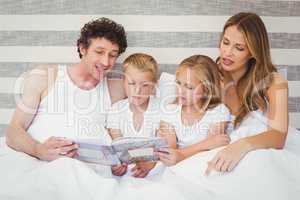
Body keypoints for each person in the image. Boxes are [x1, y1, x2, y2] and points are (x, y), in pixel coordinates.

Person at [5, 17, 128, 162]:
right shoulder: (45, 76)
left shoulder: (117, 89)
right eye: (99, 52)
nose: (106, 62)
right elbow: (13, 131)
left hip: (89, 170)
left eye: (113, 55)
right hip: (39, 163)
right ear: (83, 49)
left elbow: (153, 98)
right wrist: (38, 150)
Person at [205, 12, 288, 174]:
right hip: (215, 154)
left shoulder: (275, 82)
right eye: (225, 42)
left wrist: (241, 146)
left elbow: (279, 136)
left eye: (239, 48)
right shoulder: (211, 75)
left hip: (258, 157)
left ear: (253, 52)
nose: (228, 52)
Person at [156, 55, 231, 166]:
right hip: (177, 166)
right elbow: (170, 152)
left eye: (189, 87)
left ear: (206, 90)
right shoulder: (169, 111)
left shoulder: (218, 112)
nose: (180, 91)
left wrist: (181, 155)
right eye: (178, 83)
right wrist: (207, 143)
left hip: (202, 164)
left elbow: (210, 151)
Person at [106, 53, 162, 178]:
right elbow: (118, 147)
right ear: (123, 82)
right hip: (128, 169)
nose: (137, 91)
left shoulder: (161, 110)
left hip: (154, 167)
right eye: (131, 84)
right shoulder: (116, 110)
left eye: (145, 85)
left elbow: (161, 148)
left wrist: (150, 162)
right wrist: (117, 164)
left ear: (154, 85)